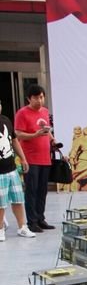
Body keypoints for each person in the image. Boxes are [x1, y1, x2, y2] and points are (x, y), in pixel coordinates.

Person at [14, 83, 56, 232]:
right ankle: (32, 222)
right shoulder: (22, 113)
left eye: (42, 97)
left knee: (43, 190)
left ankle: (40, 218)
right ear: (29, 98)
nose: (40, 100)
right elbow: (18, 134)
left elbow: (47, 130)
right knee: (32, 190)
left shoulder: (45, 111)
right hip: (30, 158)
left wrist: (52, 140)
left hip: (45, 157)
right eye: (36, 98)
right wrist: (34, 135)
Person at [0, 100, 34, 240]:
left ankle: (22, 227)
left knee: (18, 200)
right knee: (1, 203)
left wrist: (23, 158)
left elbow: (14, 141)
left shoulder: (6, 120)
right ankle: (0, 229)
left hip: (11, 168)